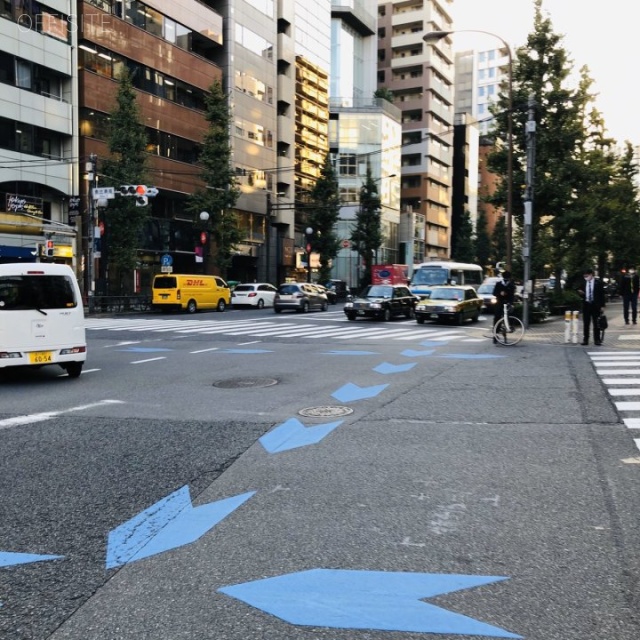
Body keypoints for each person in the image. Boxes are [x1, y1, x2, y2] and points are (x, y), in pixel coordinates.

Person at [577, 268, 606, 345]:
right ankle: (585, 339)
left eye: (587, 275)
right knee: (586, 323)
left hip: (595, 305)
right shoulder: (583, 282)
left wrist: (602, 306)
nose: (586, 277)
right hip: (586, 305)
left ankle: (597, 339)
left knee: (596, 323)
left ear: (591, 274)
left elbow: (601, 295)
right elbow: (579, 290)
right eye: (584, 276)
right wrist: (581, 293)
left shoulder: (598, 283)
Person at [492, 270, 516, 343]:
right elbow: (494, 293)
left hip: (506, 303)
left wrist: (510, 303)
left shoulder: (511, 285)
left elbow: (512, 295)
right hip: (500, 303)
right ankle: (496, 333)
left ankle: (509, 327)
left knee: (508, 315)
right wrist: (500, 293)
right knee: (497, 317)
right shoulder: (499, 284)